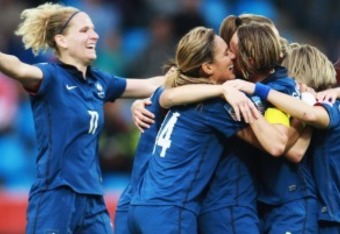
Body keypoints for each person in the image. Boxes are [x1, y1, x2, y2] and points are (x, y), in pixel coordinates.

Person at [0, 2, 167, 233]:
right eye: (84, 30)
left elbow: (151, 84)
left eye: (94, 29)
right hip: (55, 197)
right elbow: (18, 68)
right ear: (62, 40)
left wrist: (196, 75)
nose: (95, 35)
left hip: (93, 201)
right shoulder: (50, 76)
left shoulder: (100, 82)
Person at [127, 26, 266, 234]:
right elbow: (274, 144)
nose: (233, 58)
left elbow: (164, 95)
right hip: (171, 211)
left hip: (141, 205)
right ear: (208, 67)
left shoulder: (173, 93)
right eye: (226, 53)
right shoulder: (213, 106)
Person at [228, 44, 338, 233]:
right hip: (320, 212)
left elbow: (296, 150)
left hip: (331, 214)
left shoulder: (327, 106)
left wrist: (259, 90)